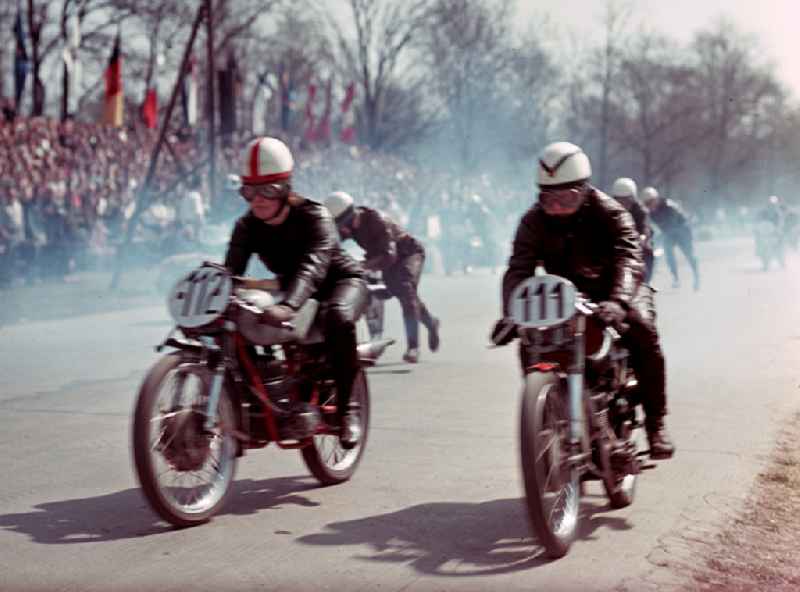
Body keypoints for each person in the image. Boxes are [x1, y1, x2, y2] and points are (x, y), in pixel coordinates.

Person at [494, 141, 674, 459]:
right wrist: (512, 312)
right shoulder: (532, 221)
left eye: (567, 198)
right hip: (566, 294)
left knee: (644, 333)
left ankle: (656, 425)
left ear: (584, 189)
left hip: (619, 288)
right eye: (549, 199)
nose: (557, 207)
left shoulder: (610, 212)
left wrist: (618, 301)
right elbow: (518, 268)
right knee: (531, 341)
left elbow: (629, 258)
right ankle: (546, 420)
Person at [224, 137, 367, 447]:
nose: (257, 200)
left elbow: (313, 267)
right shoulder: (247, 226)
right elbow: (231, 272)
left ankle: (347, 412)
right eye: (249, 191)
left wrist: (288, 306)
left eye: (268, 190)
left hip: (341, 282)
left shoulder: (316, 216)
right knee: (235, 322)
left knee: (338, 317)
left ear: (286, 188)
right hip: (296, 292)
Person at [325, 191, 441, 364]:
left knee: (405, 289)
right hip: (382, 259)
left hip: (408, 254)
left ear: (352, 214)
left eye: (345, 224)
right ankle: (431, 322)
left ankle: (413, 347)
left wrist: (364, 265)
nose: (345, 229)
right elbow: (332, 244)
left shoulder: (377, 220)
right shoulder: (347, 225)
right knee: (400, 291)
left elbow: (389, 255)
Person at [642, 186, 700, 290]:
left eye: (651, 202)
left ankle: (696, 277)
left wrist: (663, 234)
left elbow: (674, 222)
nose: (649, 205)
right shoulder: (650, 212)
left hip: (682, 231)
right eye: (647, 203)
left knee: (689, 254)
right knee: (669, 255)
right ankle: (676, 278)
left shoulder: (669, 205)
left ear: (656, 199)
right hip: (668, 234)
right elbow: (652, 226)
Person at [610, 177, 655, 283]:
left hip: (641, 249)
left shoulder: (641, 211)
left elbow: (645, 227)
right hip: (619, 251)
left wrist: (643, 237)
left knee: (644, 280)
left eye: (626, 200)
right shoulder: (610, 211)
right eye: (619, 200)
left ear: (633, 199)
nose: (623, 204)